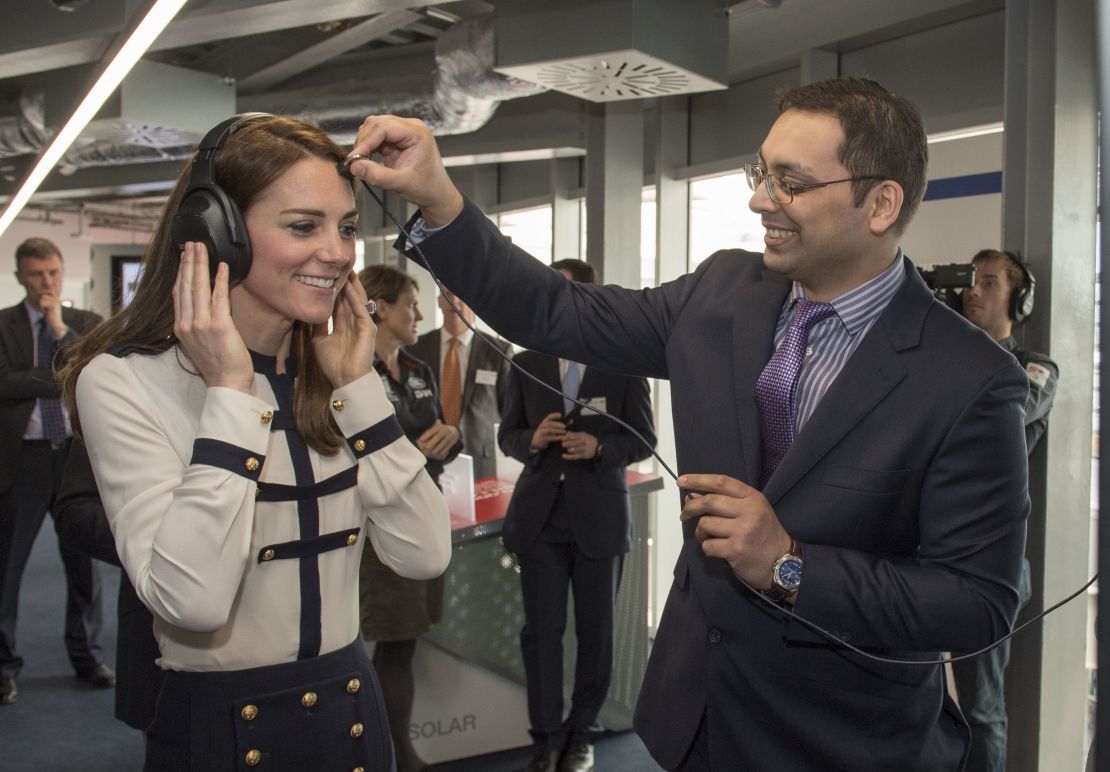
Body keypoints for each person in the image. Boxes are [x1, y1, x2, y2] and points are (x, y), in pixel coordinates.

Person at [346, 76, 1031, 771]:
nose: (760, 198)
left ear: (880, 203)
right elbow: (556, 311)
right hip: (694, 718)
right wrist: (439, 200)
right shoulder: (721, 293)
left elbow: (976, 604)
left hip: (842, 739)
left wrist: (790, 565)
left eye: (790, 182)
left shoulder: (970, 381)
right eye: (762, 172)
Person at [60, 114, 451, 772]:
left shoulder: (338, 369)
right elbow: (195, 600)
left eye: (347, 227)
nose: (337, 251)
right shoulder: (123, 380)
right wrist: (231, 392)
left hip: (352, 710)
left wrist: (357, 387)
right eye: (303, 226)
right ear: (216, 234)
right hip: (219, 722)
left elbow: (422, 554)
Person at [498, 258, 655, 772]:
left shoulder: (624, 362)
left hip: (600, 516)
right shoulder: (524, 361)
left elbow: (644, 438)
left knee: (598, 635)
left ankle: (579, 733)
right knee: (540, 633)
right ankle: (544, 737)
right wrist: (532, 441)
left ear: (590, 298)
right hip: (540, 517)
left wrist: (600, 447)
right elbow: (509, 435)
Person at [952, 248, 1058, 772]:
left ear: (1019, 299)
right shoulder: (951, 360)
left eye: (989, 283)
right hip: (937, 557)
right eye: (972, 281)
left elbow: (999, 416)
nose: (974, 290)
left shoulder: (1034, 370)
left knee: (980, 708)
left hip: (991, 569)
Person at [356, 264, 461, 772]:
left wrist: (450, 438)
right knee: (382, 643)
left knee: (404, 644)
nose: (421, 315)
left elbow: (437, 434)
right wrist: (416, 456)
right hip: (375, 530)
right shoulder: (350, 375)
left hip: (424, 517)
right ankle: (391, 755)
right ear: (378, 307)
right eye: (411, 304)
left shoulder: (418, 370)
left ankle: (395, 752)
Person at [0, 236, 109, 706]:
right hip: (21, 463)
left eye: (52, 273)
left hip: (74, 460)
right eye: (36, 274)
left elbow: (90, 372)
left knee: (84, 569)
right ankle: (3, 668)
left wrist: (57, 329)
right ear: (20, 277)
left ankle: (87, 658)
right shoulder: (2, 326)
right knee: (7, 571)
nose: (45, 282)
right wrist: (57, 372)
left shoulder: (86, 324)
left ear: (62, 273)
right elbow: (2, 385)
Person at [54, 436, 164, 733]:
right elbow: (77, 511)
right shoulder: (122, 391)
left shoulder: (291, 391)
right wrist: (166, 547)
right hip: (161, 628)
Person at [408, 287, 513, 480]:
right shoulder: (415, 349)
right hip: (428, 457)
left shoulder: (498, 352)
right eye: (448, 294)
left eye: (462, 295)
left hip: (480, 460)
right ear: (439, 300)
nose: (454, 301)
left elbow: (509, 413)